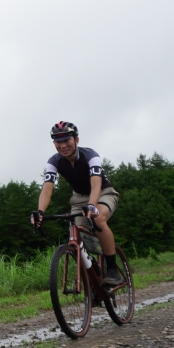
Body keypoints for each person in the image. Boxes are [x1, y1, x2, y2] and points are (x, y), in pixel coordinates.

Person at [30, 121, 124, 286]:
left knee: (98, 220)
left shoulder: (90, 155)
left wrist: (92, 205)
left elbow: (96, 184)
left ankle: (112, 270)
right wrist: (40, 212)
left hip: (103, 192)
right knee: (76, 235)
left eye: (67, 140)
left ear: (76, 140)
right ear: (54, 144)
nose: (63, 145)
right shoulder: (54, 161)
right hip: (79, 198)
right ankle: (92, 273)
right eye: (59, 142)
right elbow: (47, 189)